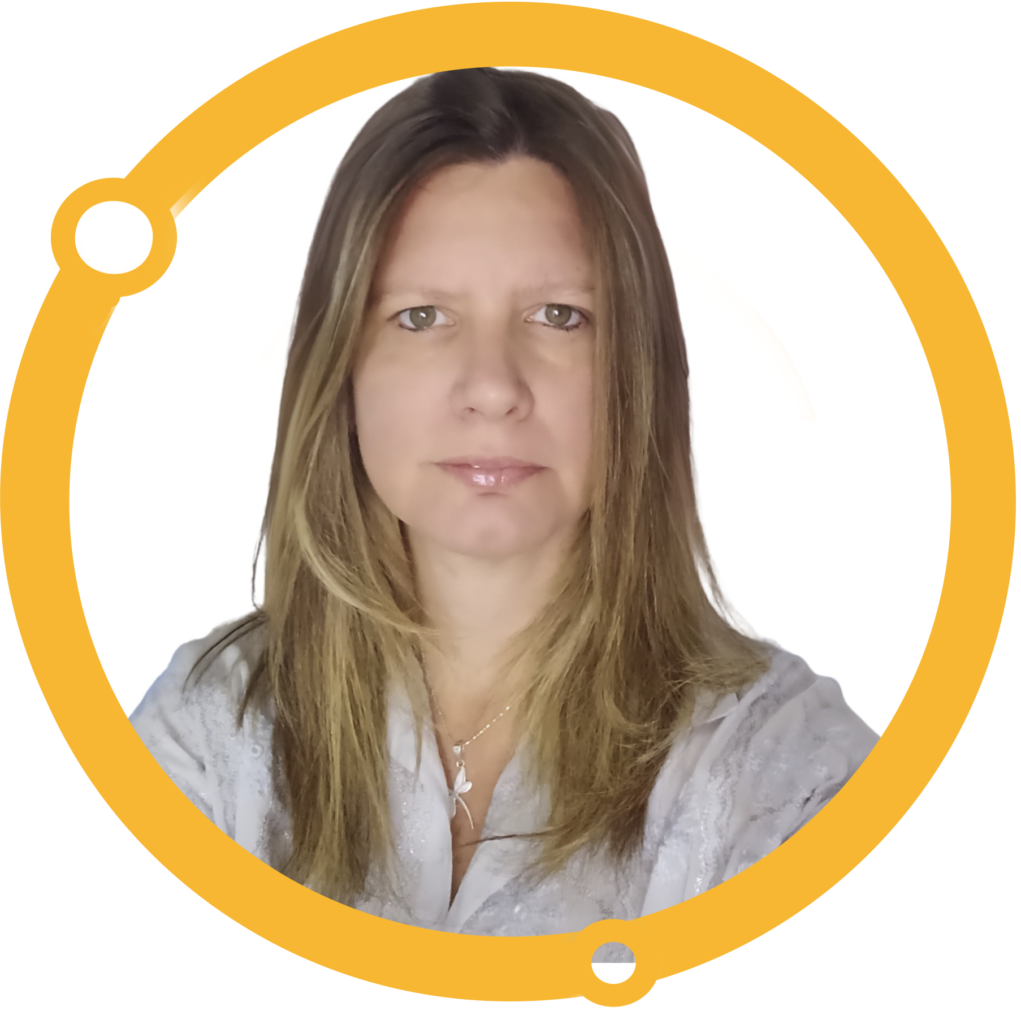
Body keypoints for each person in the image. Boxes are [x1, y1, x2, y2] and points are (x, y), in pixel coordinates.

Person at [130, 67, 878, 955]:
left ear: (636, 370)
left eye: (559, 315)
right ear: (341, 370)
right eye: (420, 317)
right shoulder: (209, 731)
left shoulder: (788, 774)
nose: (491, 386)